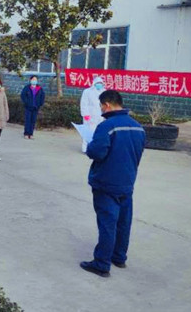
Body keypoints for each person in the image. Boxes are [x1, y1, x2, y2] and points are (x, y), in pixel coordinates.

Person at [80, 90, 145, 278]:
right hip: (127, 182)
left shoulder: (106, 126)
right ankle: (119, 257)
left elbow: (97, 152)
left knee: (107, 223)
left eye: (101, 106)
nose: (101, 109)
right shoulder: (138, 127)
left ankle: (102, 263)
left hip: (106, 182)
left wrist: (90, 144)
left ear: (107, 105)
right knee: (123, 222)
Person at [80, 76, 106, 152]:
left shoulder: (104, 92)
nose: (99, 85)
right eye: (97, 83)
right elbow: (84, 103)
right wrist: (85, 114)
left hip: (100, 117)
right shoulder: (87, 92)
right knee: (88, 132)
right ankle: (85, 148)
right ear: (94, 83)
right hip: (90, 116)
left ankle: (96, 148)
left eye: (100, 83)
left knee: (99, 133)